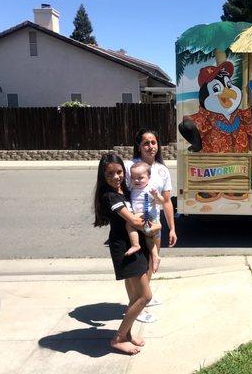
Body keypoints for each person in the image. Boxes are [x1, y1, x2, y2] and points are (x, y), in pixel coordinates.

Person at [93, 152, 152, 355]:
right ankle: (118, 338)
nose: (116, 177)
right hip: (125, 249)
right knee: (145, 296)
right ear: (103, 176)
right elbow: (135, 221)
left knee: (136, 296)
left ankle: (126, 334)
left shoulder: (123, 190)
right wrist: (151, 222)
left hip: (133, 246)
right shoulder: (110, 196)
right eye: (110, 174)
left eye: (119, 172)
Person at [125, 128, 177, 322]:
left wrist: (172, 228)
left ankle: (144, 298)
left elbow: (167, 201)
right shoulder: (131, 167)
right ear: (139, 146)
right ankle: (136, 306)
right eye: (146, 143)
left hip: (153, 224)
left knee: (150, 263)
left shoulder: (162, 170)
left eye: (153, 142)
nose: (150, 146)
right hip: (134, 224)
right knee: (135, 270)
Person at [125, 161, 163, 274]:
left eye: (140, 178)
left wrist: (156, 195)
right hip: (140, 219)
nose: (136, 180)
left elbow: (161, 201)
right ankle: (155, 257)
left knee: (129, 223)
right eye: (134, 178)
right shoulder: (133, 189)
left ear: (149, 177)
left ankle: (135, 244)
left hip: (148, 217)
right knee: (148, 240)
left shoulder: (150, 189)